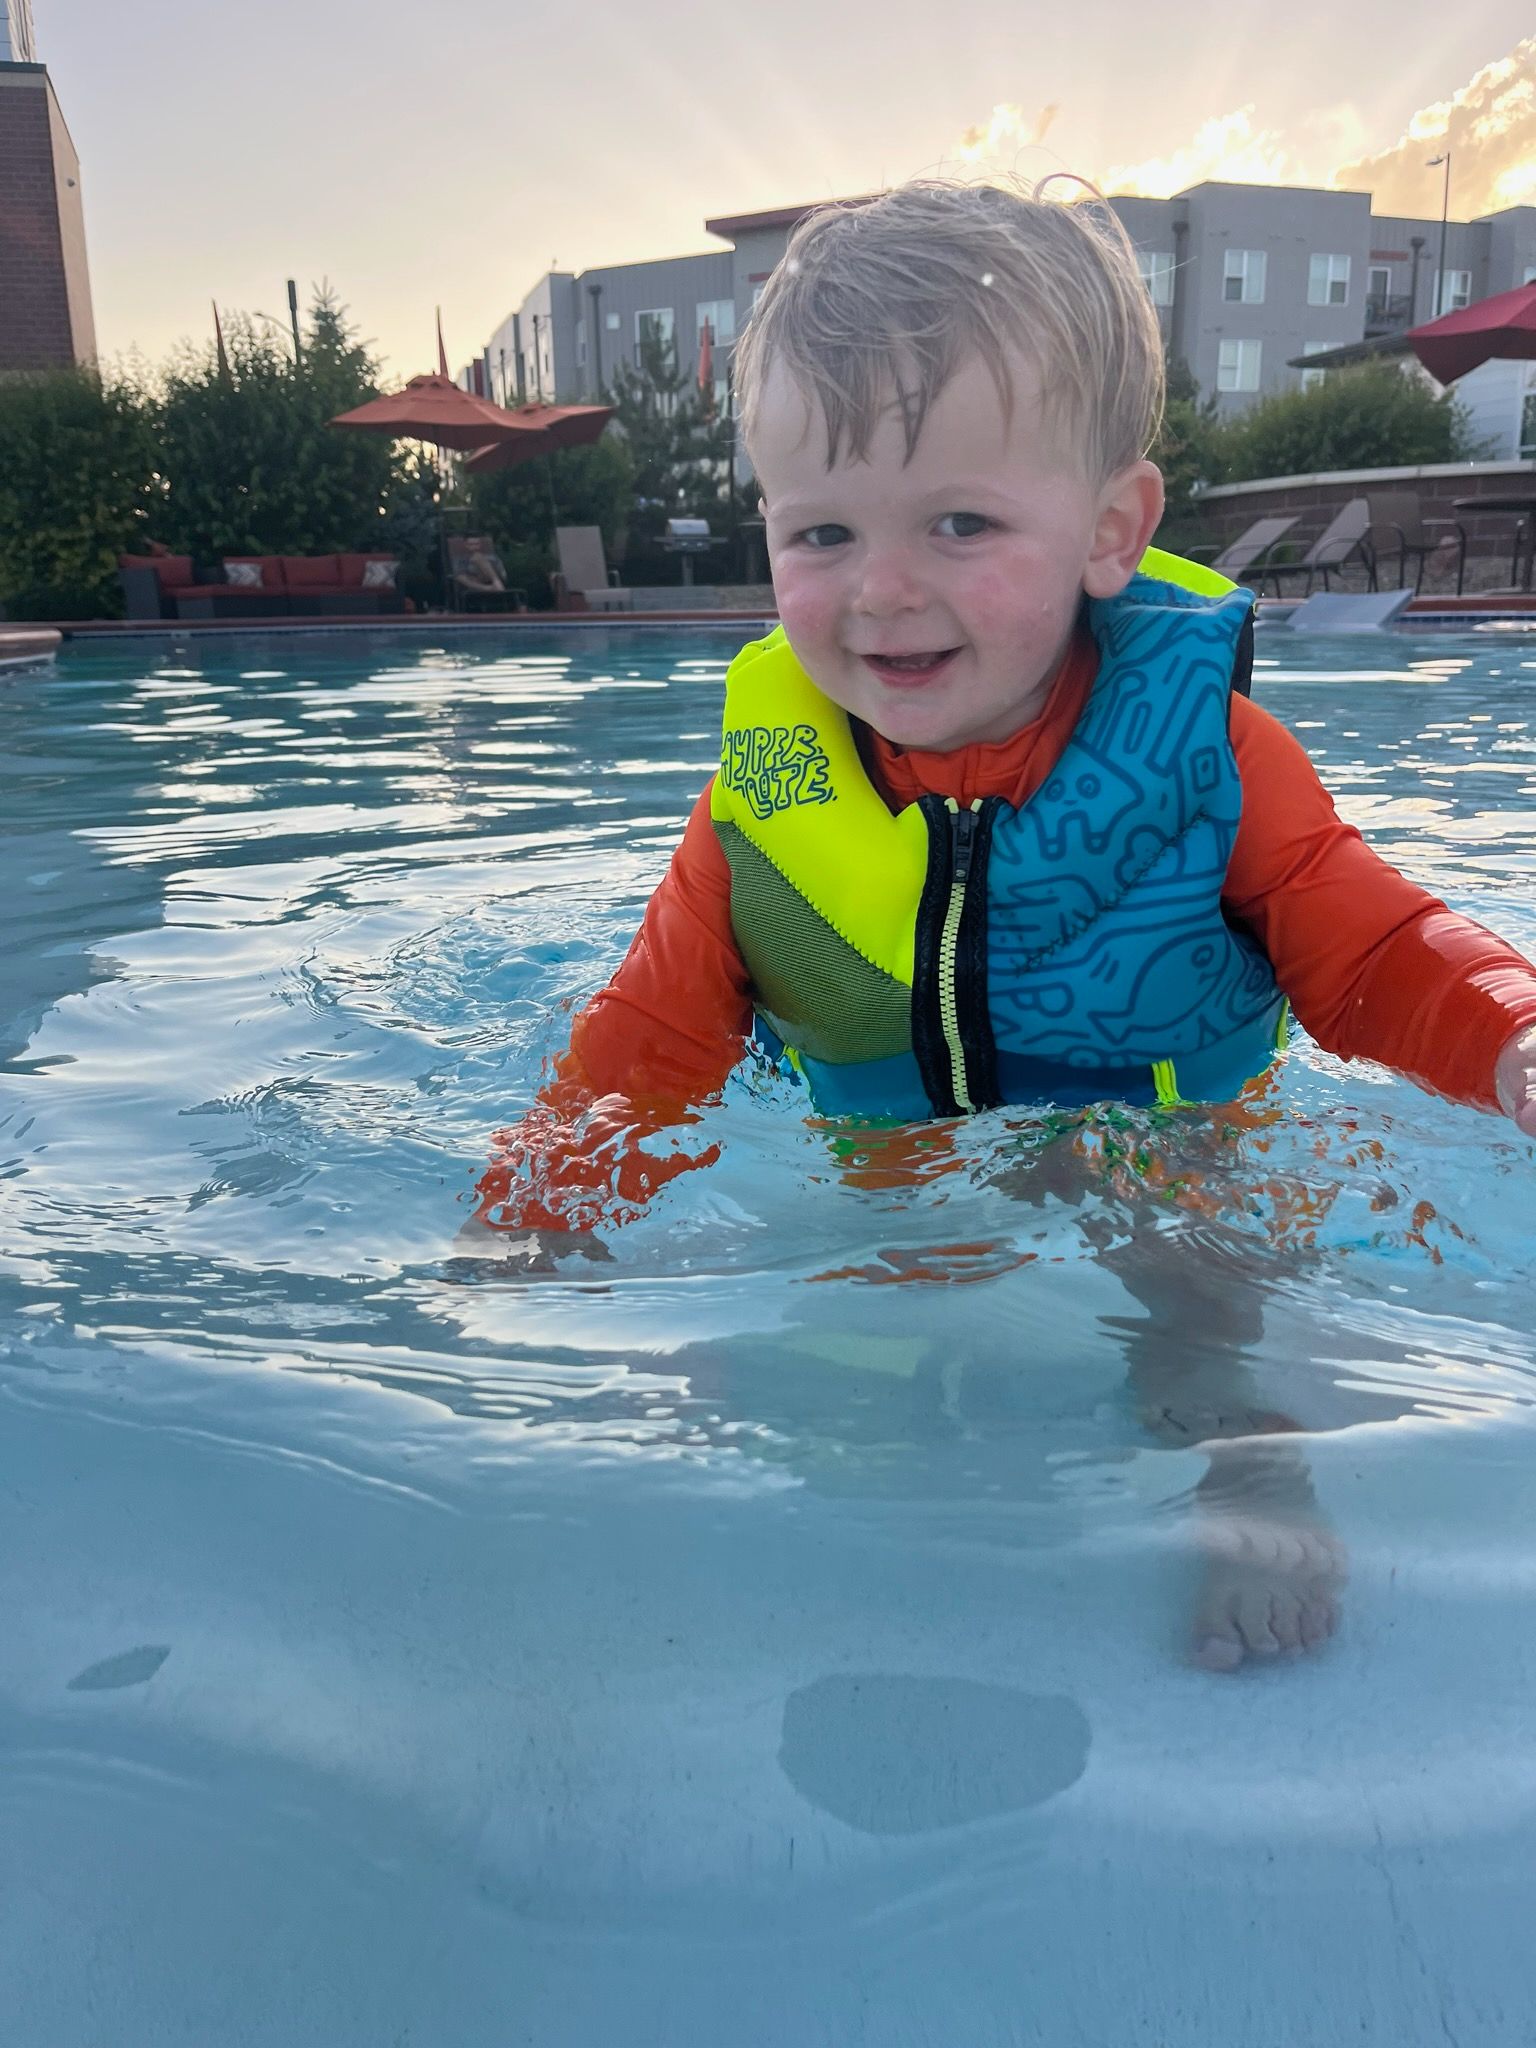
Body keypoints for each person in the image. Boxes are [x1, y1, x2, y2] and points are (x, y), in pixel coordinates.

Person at [465, 180, 1536, 1669]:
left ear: (1112, 530)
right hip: (894, 1162)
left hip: (1158, 1137)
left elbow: (1371, 951)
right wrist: (529, 1224)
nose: (883, 589)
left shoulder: (1213, 765)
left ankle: (1240, 1441)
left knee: (1190, 1257)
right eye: (823, 530)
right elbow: (646, 1045)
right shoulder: (756, 815)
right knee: (849, 1345)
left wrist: (1511, 1036)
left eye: (961, 520)